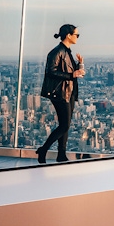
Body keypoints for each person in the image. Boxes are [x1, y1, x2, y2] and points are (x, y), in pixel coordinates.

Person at [36, 24, 84, 163]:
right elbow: (51, 71)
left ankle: (61, 154)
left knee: (65, 124)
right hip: (60, 92)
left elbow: (72, 72)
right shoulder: (56, 52)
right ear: (69, 35)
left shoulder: (67, 51)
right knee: (64, 125)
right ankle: (43, 149)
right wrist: (71, 75)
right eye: (77, 35)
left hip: (69, 92)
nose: (77, 37)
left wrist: (80, 66)